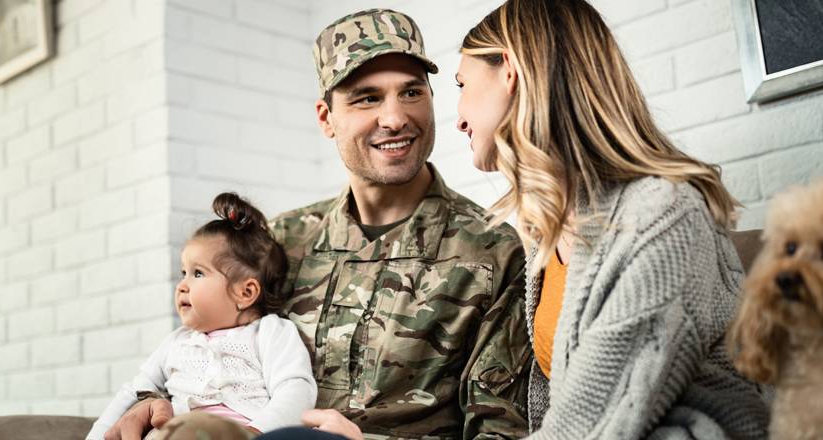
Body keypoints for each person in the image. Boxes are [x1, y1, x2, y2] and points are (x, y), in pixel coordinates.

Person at [106, 8, 532, 440]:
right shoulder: (280, 241)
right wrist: (149, 401)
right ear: (326, 118)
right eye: (367, 98)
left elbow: (502, 434)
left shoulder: (492, 251)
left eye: (411, 93)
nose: (395, 118)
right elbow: (206, 348)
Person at [454, 0, 771, 438]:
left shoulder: (662, 214)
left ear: (508, 71)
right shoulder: (549, 226)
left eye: (461, 84)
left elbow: (592, 426)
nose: (458, 119)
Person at [91, 193, 317, 440]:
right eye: (183, 272)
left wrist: (257, 433)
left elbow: (295, 389)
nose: (182, 285)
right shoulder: (177, 341)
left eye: (197, 274)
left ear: (246, 292)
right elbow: (133, 392)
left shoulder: (271, 332)